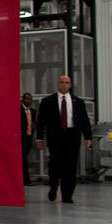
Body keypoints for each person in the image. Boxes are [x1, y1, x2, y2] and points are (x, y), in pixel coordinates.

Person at [36, 74, 93, 203]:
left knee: (71, 166)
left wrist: (88, 137)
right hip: (55, 136)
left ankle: (67, 195)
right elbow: (41, 122)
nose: (64, 85)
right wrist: (39, 138)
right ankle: (53, 186)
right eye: (62, 82)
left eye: (67, 82)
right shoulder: (47, 101)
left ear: (70, 85)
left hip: (72, 136)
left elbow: (84, 121)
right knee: (56, 164)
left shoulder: (78, 102)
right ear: (58, 84)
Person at [20, 92, 37, 186]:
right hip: (21, 138)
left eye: (30, 99)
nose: (28, 101)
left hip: (29, 138)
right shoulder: (18, 109)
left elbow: (33, 123)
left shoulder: (33, 111)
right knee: (23, 159)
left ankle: (25, 179)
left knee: (25, 158)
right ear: (22, 99)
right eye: (26, 99)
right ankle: (26, 180)